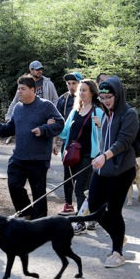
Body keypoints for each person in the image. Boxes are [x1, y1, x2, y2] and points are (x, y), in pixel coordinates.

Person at [0, 75, 64, 219]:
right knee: (14, 185)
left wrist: (43, 129)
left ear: (33, 90)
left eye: (23, 89)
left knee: (38, 192)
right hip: (19, 156)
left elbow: (60, 124)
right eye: (18, 89)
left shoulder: (46, 105)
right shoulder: (18, 107)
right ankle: (27, 213)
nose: (19, 92)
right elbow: (10, 129)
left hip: (38, 158)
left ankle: (40, 221)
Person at [88, 76, 138, 268]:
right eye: (103, 97)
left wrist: (104, 156)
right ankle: (118, 235)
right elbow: (105, 140)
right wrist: (99, 157)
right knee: (94, 207)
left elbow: (123, 142)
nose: (106, 100)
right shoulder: (105, 113)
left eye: (109, 97)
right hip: (103, 167)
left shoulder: (129, 113)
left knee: (114, 210)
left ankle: (117, 252)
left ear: (118, 95)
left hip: (122, 170)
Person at [55, 79, 104, 233]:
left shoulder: (98, 112)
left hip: (89, 156)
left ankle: (81, 222)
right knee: (88, 189)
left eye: (84, 90)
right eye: (80, 90)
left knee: (80, 189)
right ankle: (93, 217)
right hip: (73, 155)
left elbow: (106, 136)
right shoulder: (75, 111)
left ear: (92, 93)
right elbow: (64, 131)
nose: (81, 93)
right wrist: (52, 127)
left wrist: (100, 125)